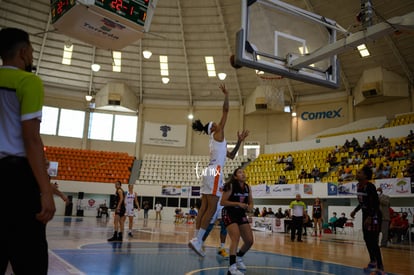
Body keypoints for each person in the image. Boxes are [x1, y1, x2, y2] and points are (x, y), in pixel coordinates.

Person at [0, 27, 56, 275]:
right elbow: (31, 139)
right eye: (32, 50)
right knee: (29, 261)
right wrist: (45, 189)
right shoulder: (28, 81)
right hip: (18, 182)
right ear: (23, 52)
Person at [189, 83, 249, 257]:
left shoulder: (217, 141)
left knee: (204, 207)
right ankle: (199, 241)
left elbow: (231, 156)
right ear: (212, 129)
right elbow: (226, 111)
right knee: (211, 208)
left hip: (209, 171)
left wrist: (239, 141)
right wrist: (227, 95)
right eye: (213, 124)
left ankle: (196, 239)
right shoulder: (218, 133)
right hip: (215, 171)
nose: (216, 122)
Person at [350, 165, 384, 273]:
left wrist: (370, 216)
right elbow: (362, 202)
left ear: (365, 175)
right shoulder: (358, 186)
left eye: (359, 172)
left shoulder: (370, 186)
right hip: (366, 215)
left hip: (374, 216)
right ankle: (373, 261)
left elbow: (376, 203)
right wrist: (355, 210)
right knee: (366, 239)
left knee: (373, 241)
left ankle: (380, 266)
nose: (357, 174)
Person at [221, 168, 254, 275]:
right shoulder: (230, 186)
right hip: (229, 212)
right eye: (240, 172)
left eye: (243, 172)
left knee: (249, 241)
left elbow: (251, 202)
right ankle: (232, 267)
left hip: (240, 214)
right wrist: (238, 204)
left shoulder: (247, 187)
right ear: (235, 177)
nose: (243, 174)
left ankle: (239, 257)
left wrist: (250, 207)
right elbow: (223, 202)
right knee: (235, 238)